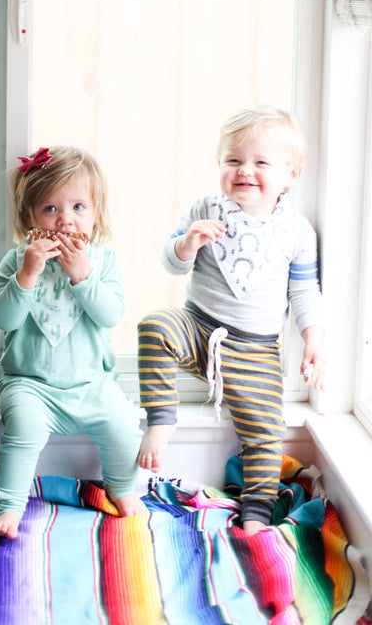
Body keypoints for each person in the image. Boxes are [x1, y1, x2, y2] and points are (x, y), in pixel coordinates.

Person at [137, 106, 325, 535]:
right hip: (199, 328)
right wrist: (187, 244)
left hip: (255, 349)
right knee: (154, 326)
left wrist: (314, 337)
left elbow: (304, 291)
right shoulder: (207, 208)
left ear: (291, 174)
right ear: (220, 165)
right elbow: (172, 262)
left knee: (264, 430)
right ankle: (161, 421)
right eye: (234, 160)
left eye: (261, 162)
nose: (245, 171)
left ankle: (257, 509)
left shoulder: (297, 231)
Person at [0, 146, 147, 539]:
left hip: (92, 384)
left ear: (95, 215)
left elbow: (110, 315)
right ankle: (9, 505)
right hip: (29, 384)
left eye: (78, 207)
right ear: (30, 218)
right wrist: (27, 275)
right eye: (51, 210)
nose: (65, 221)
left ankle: (122, 488)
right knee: (22, 430)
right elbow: (2, 320)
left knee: (125, 426)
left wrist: (83, 277)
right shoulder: (17, 261)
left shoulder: (103, 261)